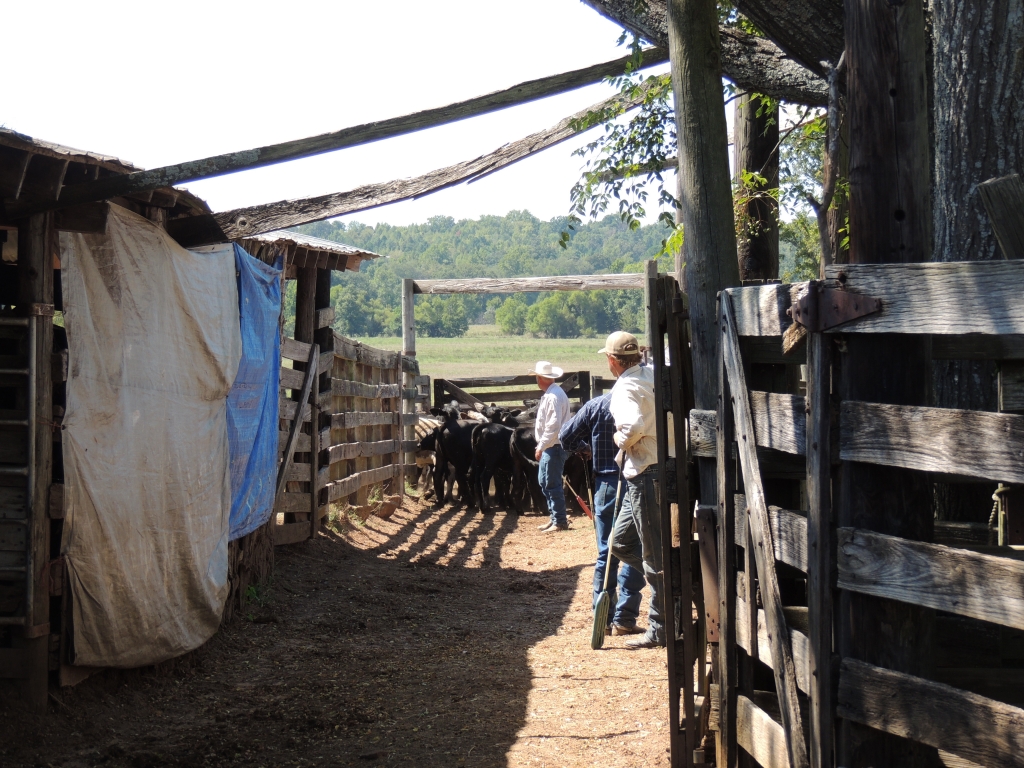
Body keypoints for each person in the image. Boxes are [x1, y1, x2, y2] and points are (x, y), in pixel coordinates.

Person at [559, 393, 645, 635]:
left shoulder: (596, 405)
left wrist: (585, 449)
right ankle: (625, 618)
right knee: (634, 547)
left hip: (606, 482)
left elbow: (566, 437)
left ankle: (603, 618)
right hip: (636, 479)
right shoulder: (641, 399)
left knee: (606, 551)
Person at [601, 331, 665, 649]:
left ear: (612, 361)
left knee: (653, 554)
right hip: (646, 470)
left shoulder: (624, 387)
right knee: (620, 543)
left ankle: (660, 626)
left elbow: (633, 426)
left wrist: (619, 441)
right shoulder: (651, 373)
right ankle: (670, 581)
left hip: (645, 474)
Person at [531, 360, 571, 532]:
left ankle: (559, 520)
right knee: (546, 482)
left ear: (540, 378)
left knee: (551, 483)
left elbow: (553, 426)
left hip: (553, 446)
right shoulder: (554, 394)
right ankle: (555, 517)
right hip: (552, 445)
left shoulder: (553, 396)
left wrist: (541, 445)